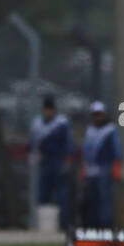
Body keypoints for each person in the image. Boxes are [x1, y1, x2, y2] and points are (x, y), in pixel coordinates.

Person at [29, 96, 73, 229]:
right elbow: (33, 144)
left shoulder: (62, 123)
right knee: (43, 195)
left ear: (54, 110)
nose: (48, 112)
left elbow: (69, 143)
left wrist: (68, 160)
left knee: (62, 196)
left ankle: (63, 225)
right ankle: (42, 226)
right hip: (45, 162)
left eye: (50, 110)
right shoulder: (37, 124)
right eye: (46, 110)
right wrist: (34, 154)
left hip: (58, 161)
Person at [80, 101, 122, 227]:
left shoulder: (111, 130)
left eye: (100, 114)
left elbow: (117, 150)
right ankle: (92, 226)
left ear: (104, 114)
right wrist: (84, 168)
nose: (97, 117)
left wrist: (117, 167)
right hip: (91, 172)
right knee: (91, 201)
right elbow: (86, 151)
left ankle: (105, 226)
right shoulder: (90, 130)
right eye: (95, 114)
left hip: (105, 170)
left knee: (105, 201)